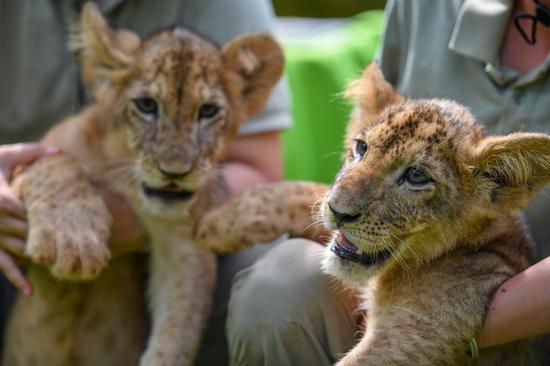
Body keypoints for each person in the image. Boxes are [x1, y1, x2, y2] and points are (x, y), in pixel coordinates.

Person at [226, 0, 550, 364]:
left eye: (416, 176)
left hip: (515, 312)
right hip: (410, 271)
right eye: (360, 150)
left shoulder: (488, 188)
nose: (340, 203)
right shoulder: (423, 8)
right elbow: (375, 125)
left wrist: (434, 324)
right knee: (282, 281)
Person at [0, 0, 291, 364]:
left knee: (271, 271)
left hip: (154, 255)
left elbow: (257, 168)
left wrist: (123, 216)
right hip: (13, 254)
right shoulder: (79, 134)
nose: (176, 160)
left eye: (207, 111)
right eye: (147, 107)